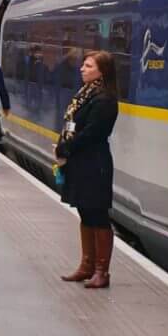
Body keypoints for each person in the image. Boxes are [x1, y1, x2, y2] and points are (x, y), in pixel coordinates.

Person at [56, 51, 119, 289]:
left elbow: (93, 132)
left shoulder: (104, 100)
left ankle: (102, 271)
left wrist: (66, 146)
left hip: (95, 163)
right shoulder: (86, 95)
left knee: (97, 214)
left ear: (102, 72)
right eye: (83, 64)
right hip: (81, 161)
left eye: (88, 65)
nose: (82, 68)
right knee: (85, 211)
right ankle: (87, 266)